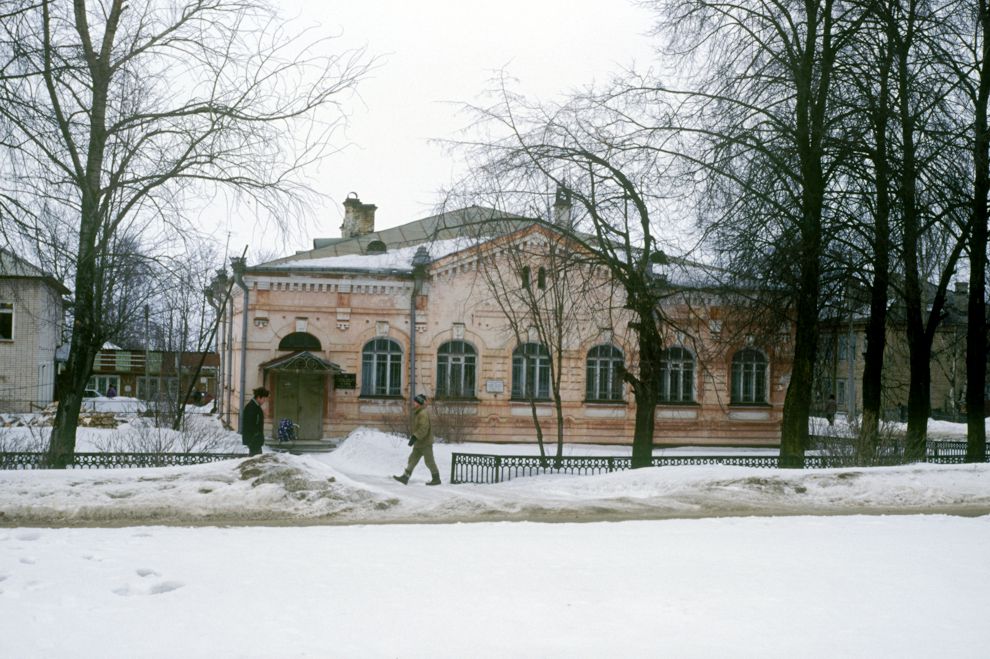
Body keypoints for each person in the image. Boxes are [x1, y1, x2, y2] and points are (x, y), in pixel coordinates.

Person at [393, 393, 441, 486]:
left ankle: (436, 479)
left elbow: (424, 428)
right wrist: (415, 438)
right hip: (419, 443)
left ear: (419, 403)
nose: (414, 403)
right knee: (412, 459)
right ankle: (405, 477)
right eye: (414, 401)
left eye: (415, 401)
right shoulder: (418, 412)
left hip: (425, 443)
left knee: (429, 461)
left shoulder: (423, 413)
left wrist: (415, 437)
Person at [241, 387, 269, 456]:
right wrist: (255, 436)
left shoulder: (255, 406)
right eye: (264, 399)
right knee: (255, 459)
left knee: (256, 459)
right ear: (259, 397)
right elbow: (250, 424)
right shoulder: (252, 407)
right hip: (253, 440)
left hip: (255, 439)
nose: (264, 401)